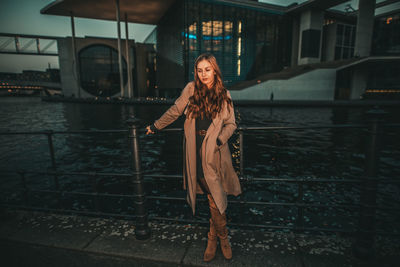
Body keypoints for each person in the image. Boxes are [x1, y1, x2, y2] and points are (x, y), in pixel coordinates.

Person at [146, 53, 241, 262]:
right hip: (194, 151)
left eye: (207, 69)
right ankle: (219, 236)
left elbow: (231, 124)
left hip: (215, 152)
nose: (203, 74)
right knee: (212, 196)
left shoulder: (224, 94)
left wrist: (219, 140)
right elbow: (175, 111)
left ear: (215, 70)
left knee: (215, 197)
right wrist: (155, 125)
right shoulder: (191, 89)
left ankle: (216, 238)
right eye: (199, 70)